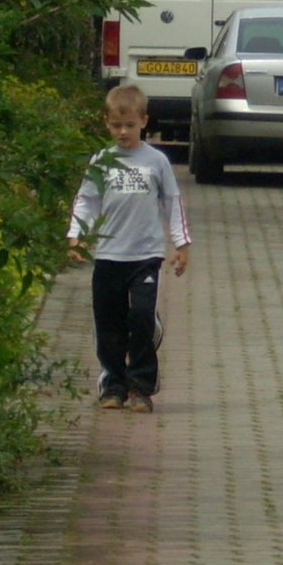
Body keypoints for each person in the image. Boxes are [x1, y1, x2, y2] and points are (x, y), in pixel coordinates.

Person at [68, 84, 191, 413]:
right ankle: (113, 383)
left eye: (130, 126)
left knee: (140, 316)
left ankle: (141, 386)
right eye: (116, 126)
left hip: (146, 255)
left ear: (144, 122)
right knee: (108, 322)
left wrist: (181, 243)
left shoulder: (156, 161)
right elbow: (87, 200)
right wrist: (76, 235)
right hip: (109, 256)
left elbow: (172, 201)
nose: (123, 132)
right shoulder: (103, 160)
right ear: (106, 123)